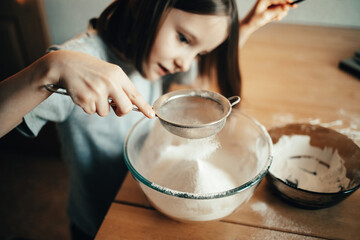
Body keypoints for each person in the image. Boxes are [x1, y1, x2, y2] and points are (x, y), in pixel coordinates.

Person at [0, 0, 295, 238]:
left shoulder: (155, 57)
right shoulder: (75, 65)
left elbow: (203, 79)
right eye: (183, 39)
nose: (185, 61)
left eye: (199, 52)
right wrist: (49, 68)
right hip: (99, 220)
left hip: (150, 200)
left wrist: (248, 25)